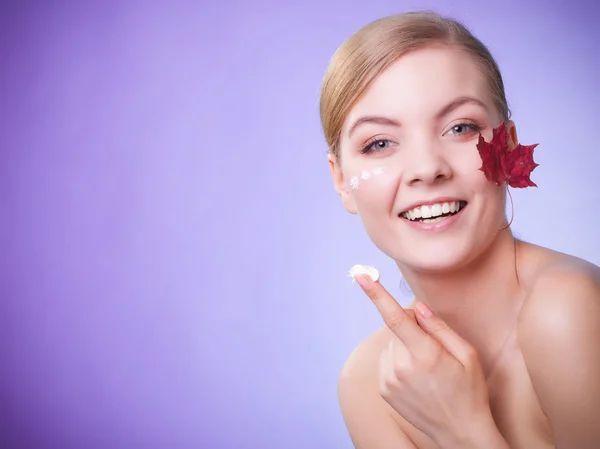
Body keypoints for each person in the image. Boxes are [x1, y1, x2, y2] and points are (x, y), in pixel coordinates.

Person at [319, 11, 600, 449]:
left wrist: (464, 432)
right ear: (341, 181)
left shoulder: (568, 310)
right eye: (379, 143)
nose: (428, 168)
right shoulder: (368, 383)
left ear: (507, 147)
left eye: (460, 128)